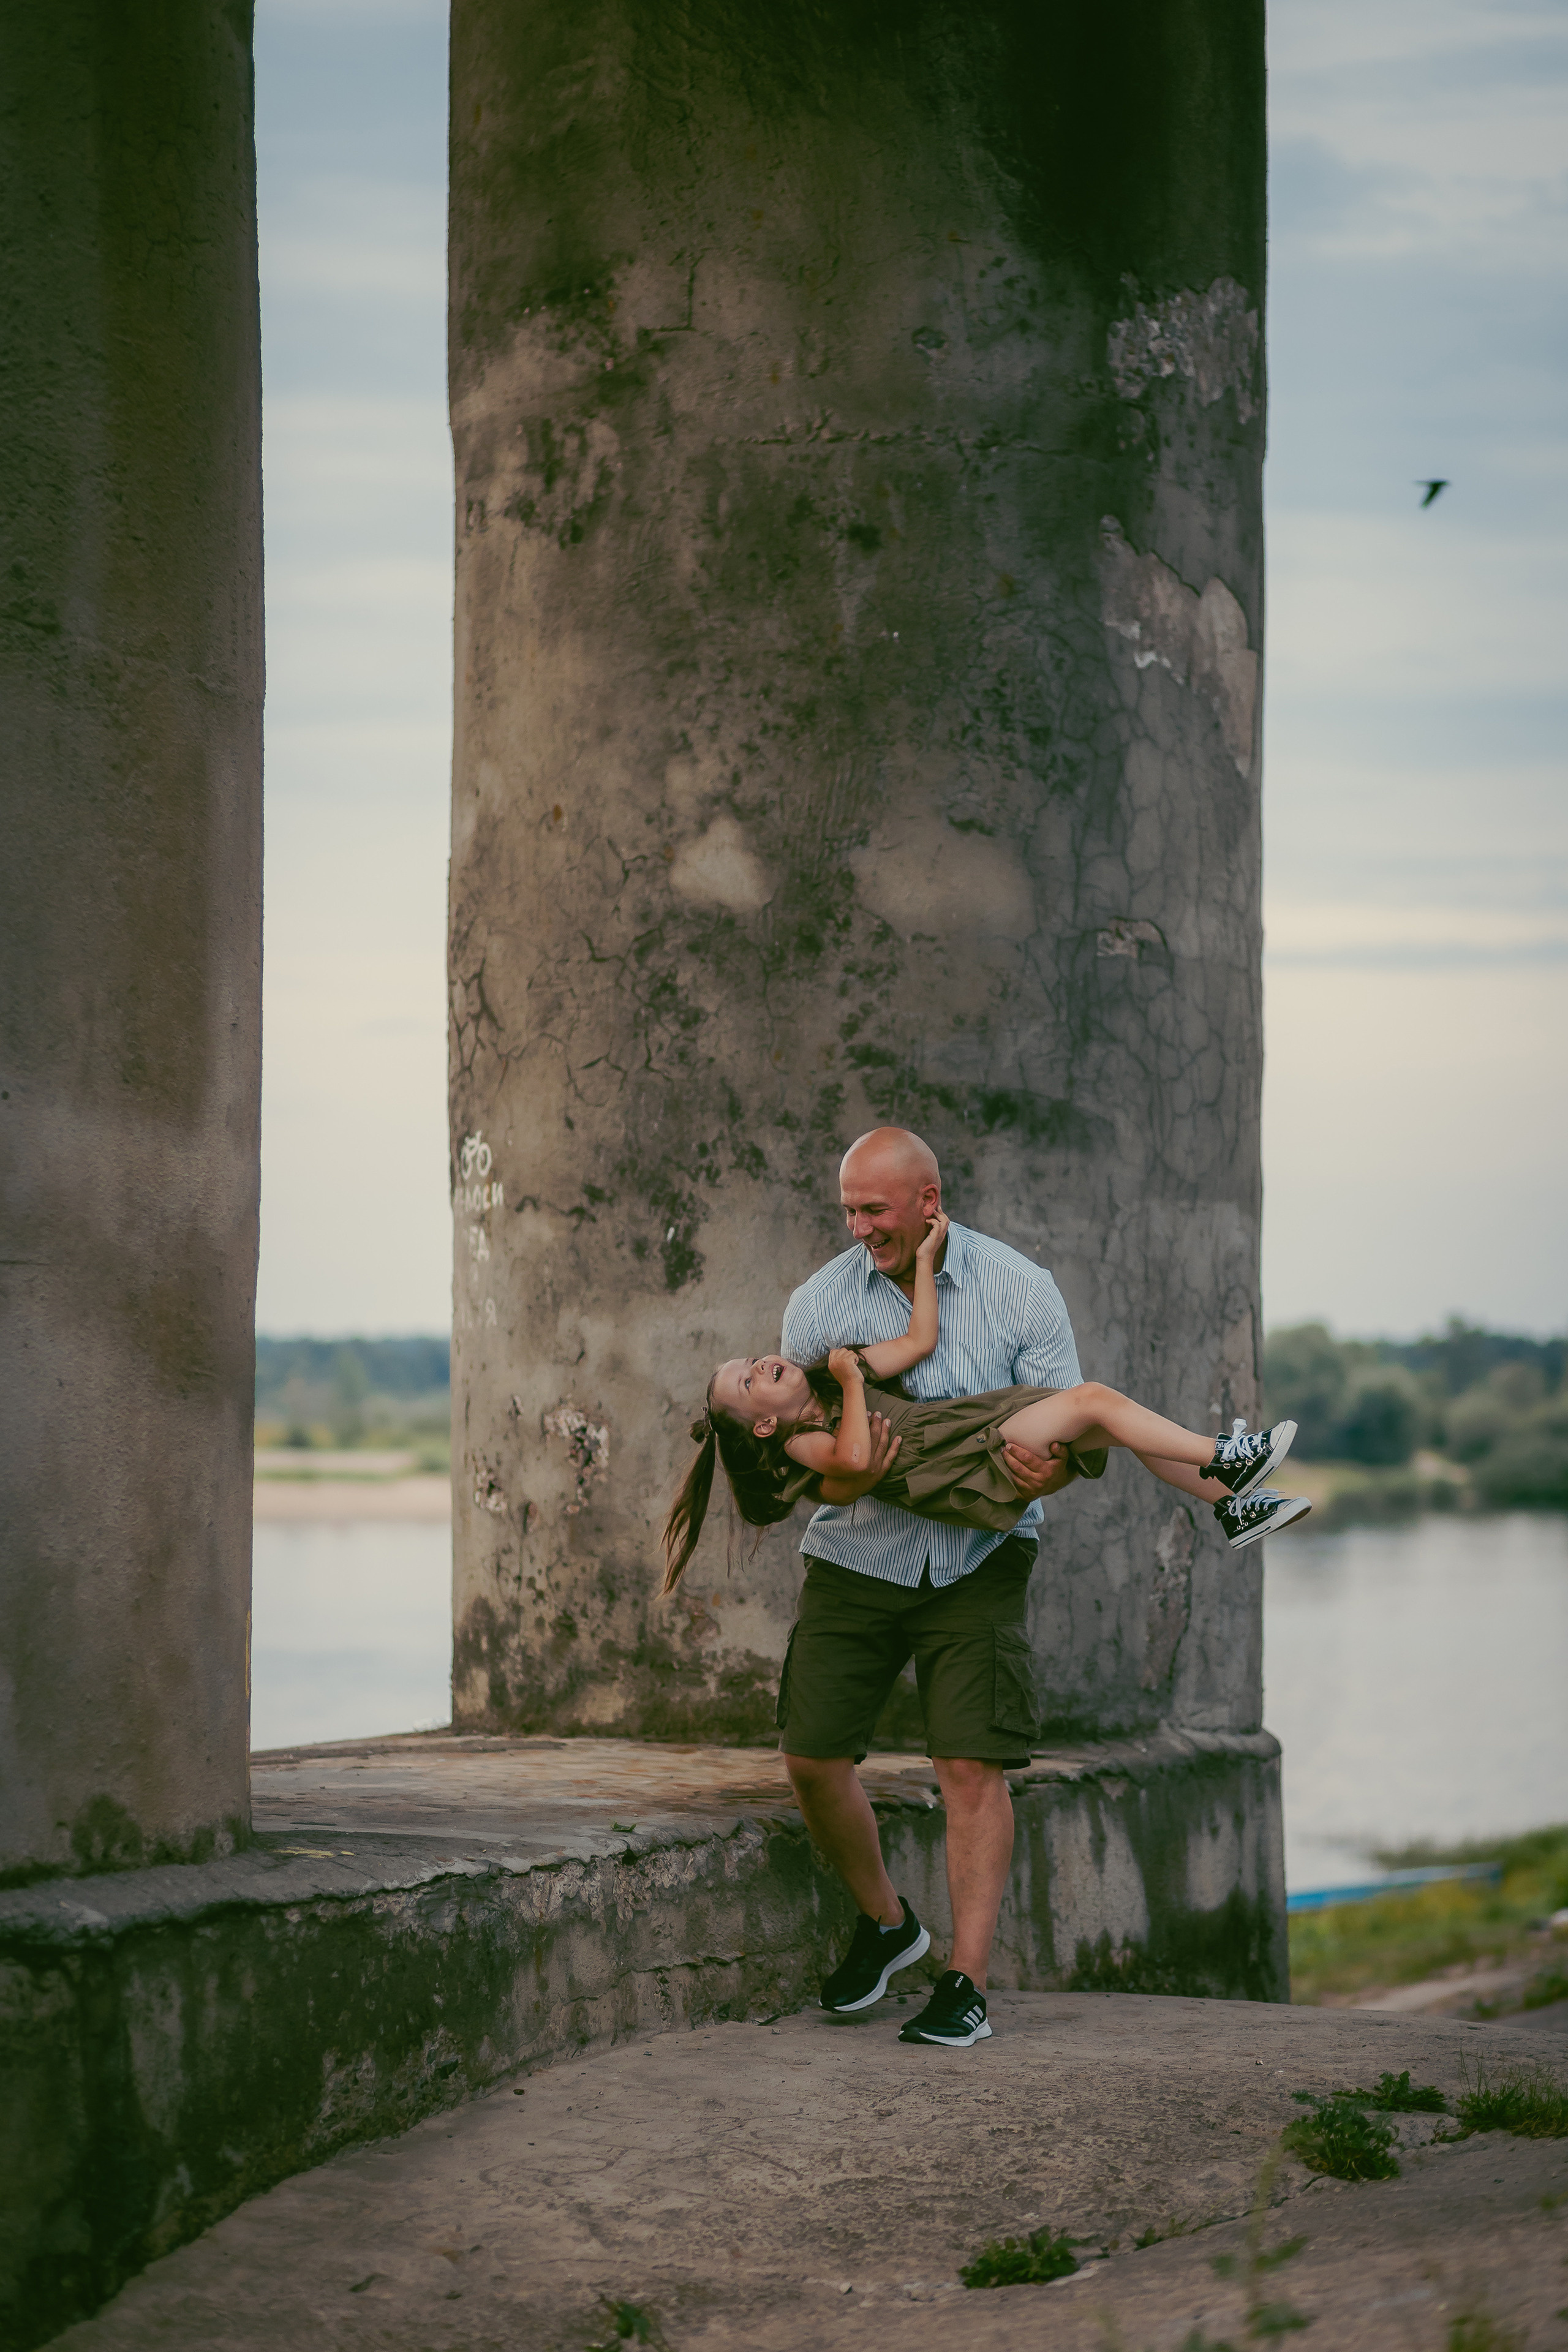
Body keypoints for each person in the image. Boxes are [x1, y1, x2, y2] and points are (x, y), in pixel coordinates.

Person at [663, 1129, 1300, 2050]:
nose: (858, 1226)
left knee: (970, 1766)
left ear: (929, 1201)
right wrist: (855, 1468)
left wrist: (1046, 1477)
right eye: (848, 1209)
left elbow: (1076, 1448)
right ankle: (888, 1926)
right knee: (810, 1756)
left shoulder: (1019, 1288)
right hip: (861, 1560)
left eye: (874, 1209)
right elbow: (818, 1470)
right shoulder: (820, 1308)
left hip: (978, 1556)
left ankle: (965, 1982)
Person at [662, 1207, 1306, 1565]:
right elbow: (854, 1460)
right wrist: (850, 1383)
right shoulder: (803, 1441)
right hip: (953, 1459)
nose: (759, 1364)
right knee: (1095, 1403)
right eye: (747, 1382)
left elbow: (918, 1342)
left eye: (751, 1361)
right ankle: (1227, 1458)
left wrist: (921, 1268)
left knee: (1109, 1421)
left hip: (967, 1425)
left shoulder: (835, 1372)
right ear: (765, 1424)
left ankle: (1233, 1503)